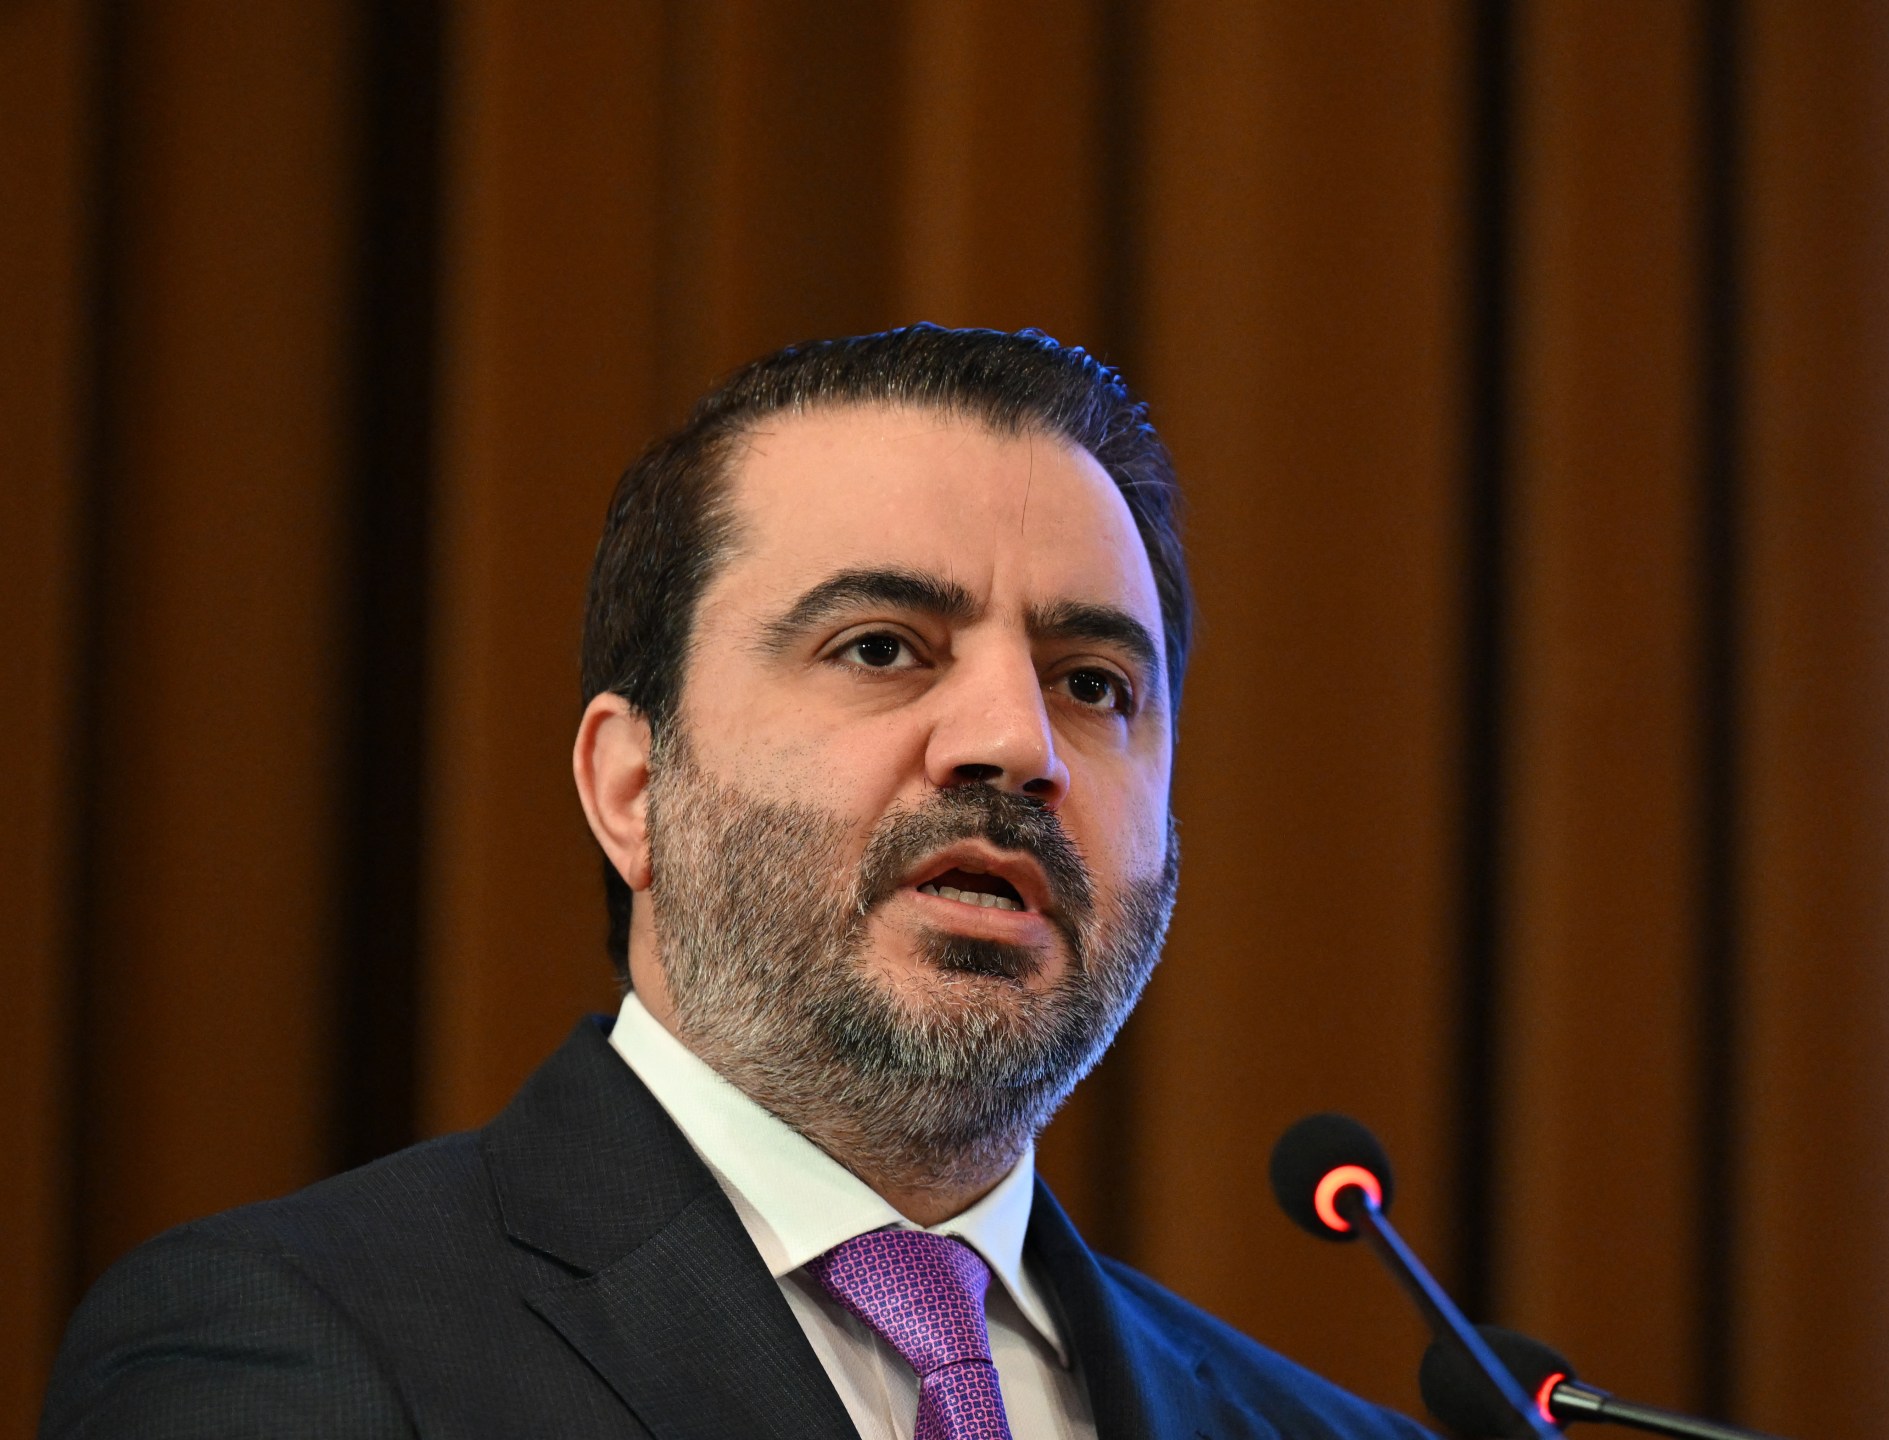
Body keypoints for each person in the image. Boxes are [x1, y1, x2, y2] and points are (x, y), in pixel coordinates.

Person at [42, 326, 1431, 1438]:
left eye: (1092, 683)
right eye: (882, 647)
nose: (1018, 743)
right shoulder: (292, 1343)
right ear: (632, 787)